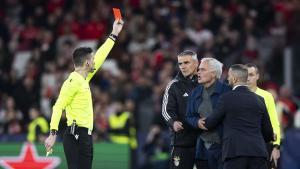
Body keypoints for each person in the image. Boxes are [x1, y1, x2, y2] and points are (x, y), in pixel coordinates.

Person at [44, 19, 124, 169]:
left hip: (84, 135)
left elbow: (101, 55)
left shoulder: (84, 79)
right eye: (92, 59)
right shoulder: (72, 81)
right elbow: (57, 106)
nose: (95, 61)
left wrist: (114, 33)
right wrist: (53, 133)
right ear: (87, 63)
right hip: (76, 135)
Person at [199, 64, 274, 169]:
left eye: (229, 75)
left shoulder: (226, 98)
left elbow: (210, 123)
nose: (228, 78)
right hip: (258, 153)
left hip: (235, 153)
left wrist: (198, 121)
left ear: (234, 78)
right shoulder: (260, 100)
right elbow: (268, 132)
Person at [186, 57, 231, 169]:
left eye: (203, 70)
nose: (198, 72)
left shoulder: (227, 91)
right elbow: (188, 116)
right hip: (202, 149)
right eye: (199, 69)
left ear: (213, 74)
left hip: (223, 148)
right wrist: (196, 122)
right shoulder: (195, 92)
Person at [161, 50, 198, 169]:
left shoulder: (204, 84)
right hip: (182, 142)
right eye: (180, 63)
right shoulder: (174, 85)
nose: (182, 66)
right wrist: (173, 122)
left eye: (186, 62)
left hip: (203, 142)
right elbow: (166, 110)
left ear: (196, 63)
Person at [246, 63, 281, 168]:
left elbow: (274, 122)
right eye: (245, 75)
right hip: (242, 145)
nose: (248, 78)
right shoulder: (235, 95)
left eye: (251, 75)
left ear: (257, 76)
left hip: (262, 144)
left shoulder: (267, 96)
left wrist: (276, 146)